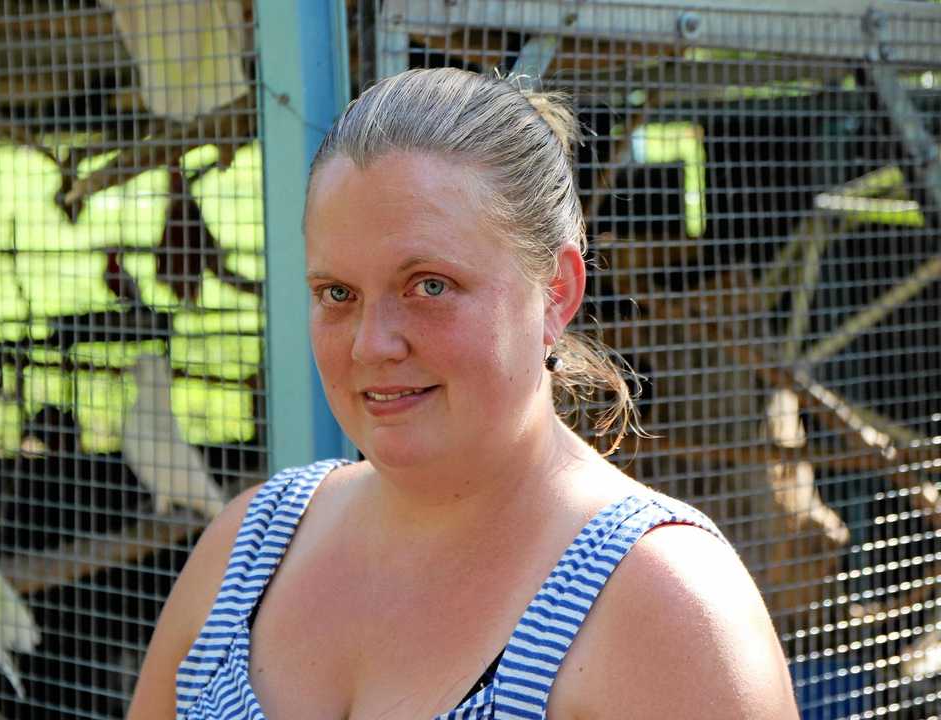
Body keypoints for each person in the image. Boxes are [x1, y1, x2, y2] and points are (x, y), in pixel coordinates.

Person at [127, 67, 798, 719]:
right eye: (337, 293)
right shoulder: (249, 547)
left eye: (429, 285)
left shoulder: (663, 600)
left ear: (556, 292)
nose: (371, 344)